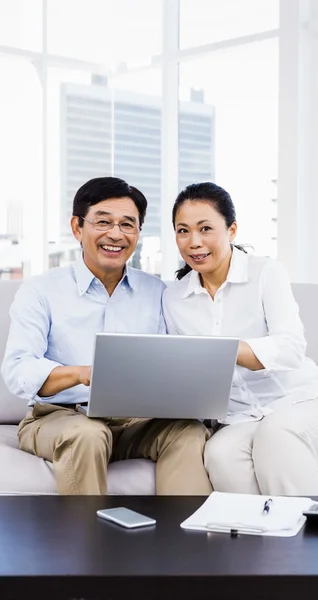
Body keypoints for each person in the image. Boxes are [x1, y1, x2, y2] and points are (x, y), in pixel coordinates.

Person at [1, 177, 212, 496]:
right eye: (103, 222)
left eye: (128, 224)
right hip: (59, 418)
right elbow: (18, 371)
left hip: (134, 421)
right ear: (77, 227)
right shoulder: (40, 290)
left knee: (188, 431)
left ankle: (184, 541)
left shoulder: (157, 292)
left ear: (139, 233)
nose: (116, 234)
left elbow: (170, 360)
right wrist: (82, 374)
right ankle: (87, 545)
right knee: (87, 434)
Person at [162, 182, 318, 496]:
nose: (194, 242)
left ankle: (307, 540)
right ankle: (256, 542)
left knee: (277, 431)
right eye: (182, 231)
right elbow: (188, 372)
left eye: (205, 229)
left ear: (232, 230)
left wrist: (221, 351)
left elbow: (291, 349)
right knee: (220, 453)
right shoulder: (174, 298)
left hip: (312, 403)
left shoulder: (266, 273)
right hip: (242, 419)